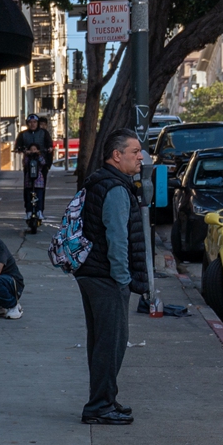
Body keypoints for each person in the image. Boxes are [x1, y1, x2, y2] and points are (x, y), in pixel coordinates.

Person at [73, 129, 148, 425]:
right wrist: (122, 280)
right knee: (111, 343)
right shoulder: (116, 189)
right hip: (106, 276)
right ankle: (99, 407)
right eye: (135, 152)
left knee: (102, 342)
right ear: (117, 155)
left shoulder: (100, 181)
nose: (140, 157)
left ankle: (105, 399)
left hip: (91, 273)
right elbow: (117, 239)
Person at [14, 116, 54, 232]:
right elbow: (18, 146)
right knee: (27, 189)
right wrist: (22, 150)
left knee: (41, 189)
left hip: (41, 167)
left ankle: (40, 210)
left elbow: (49, 144)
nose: (32, 124)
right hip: (29, 166)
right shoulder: (23, 134)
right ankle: (28, 210)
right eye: (30, 122)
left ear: (37, 123)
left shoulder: (43, 133)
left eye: (34, 122)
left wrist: (49, 149)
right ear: (27, 123)